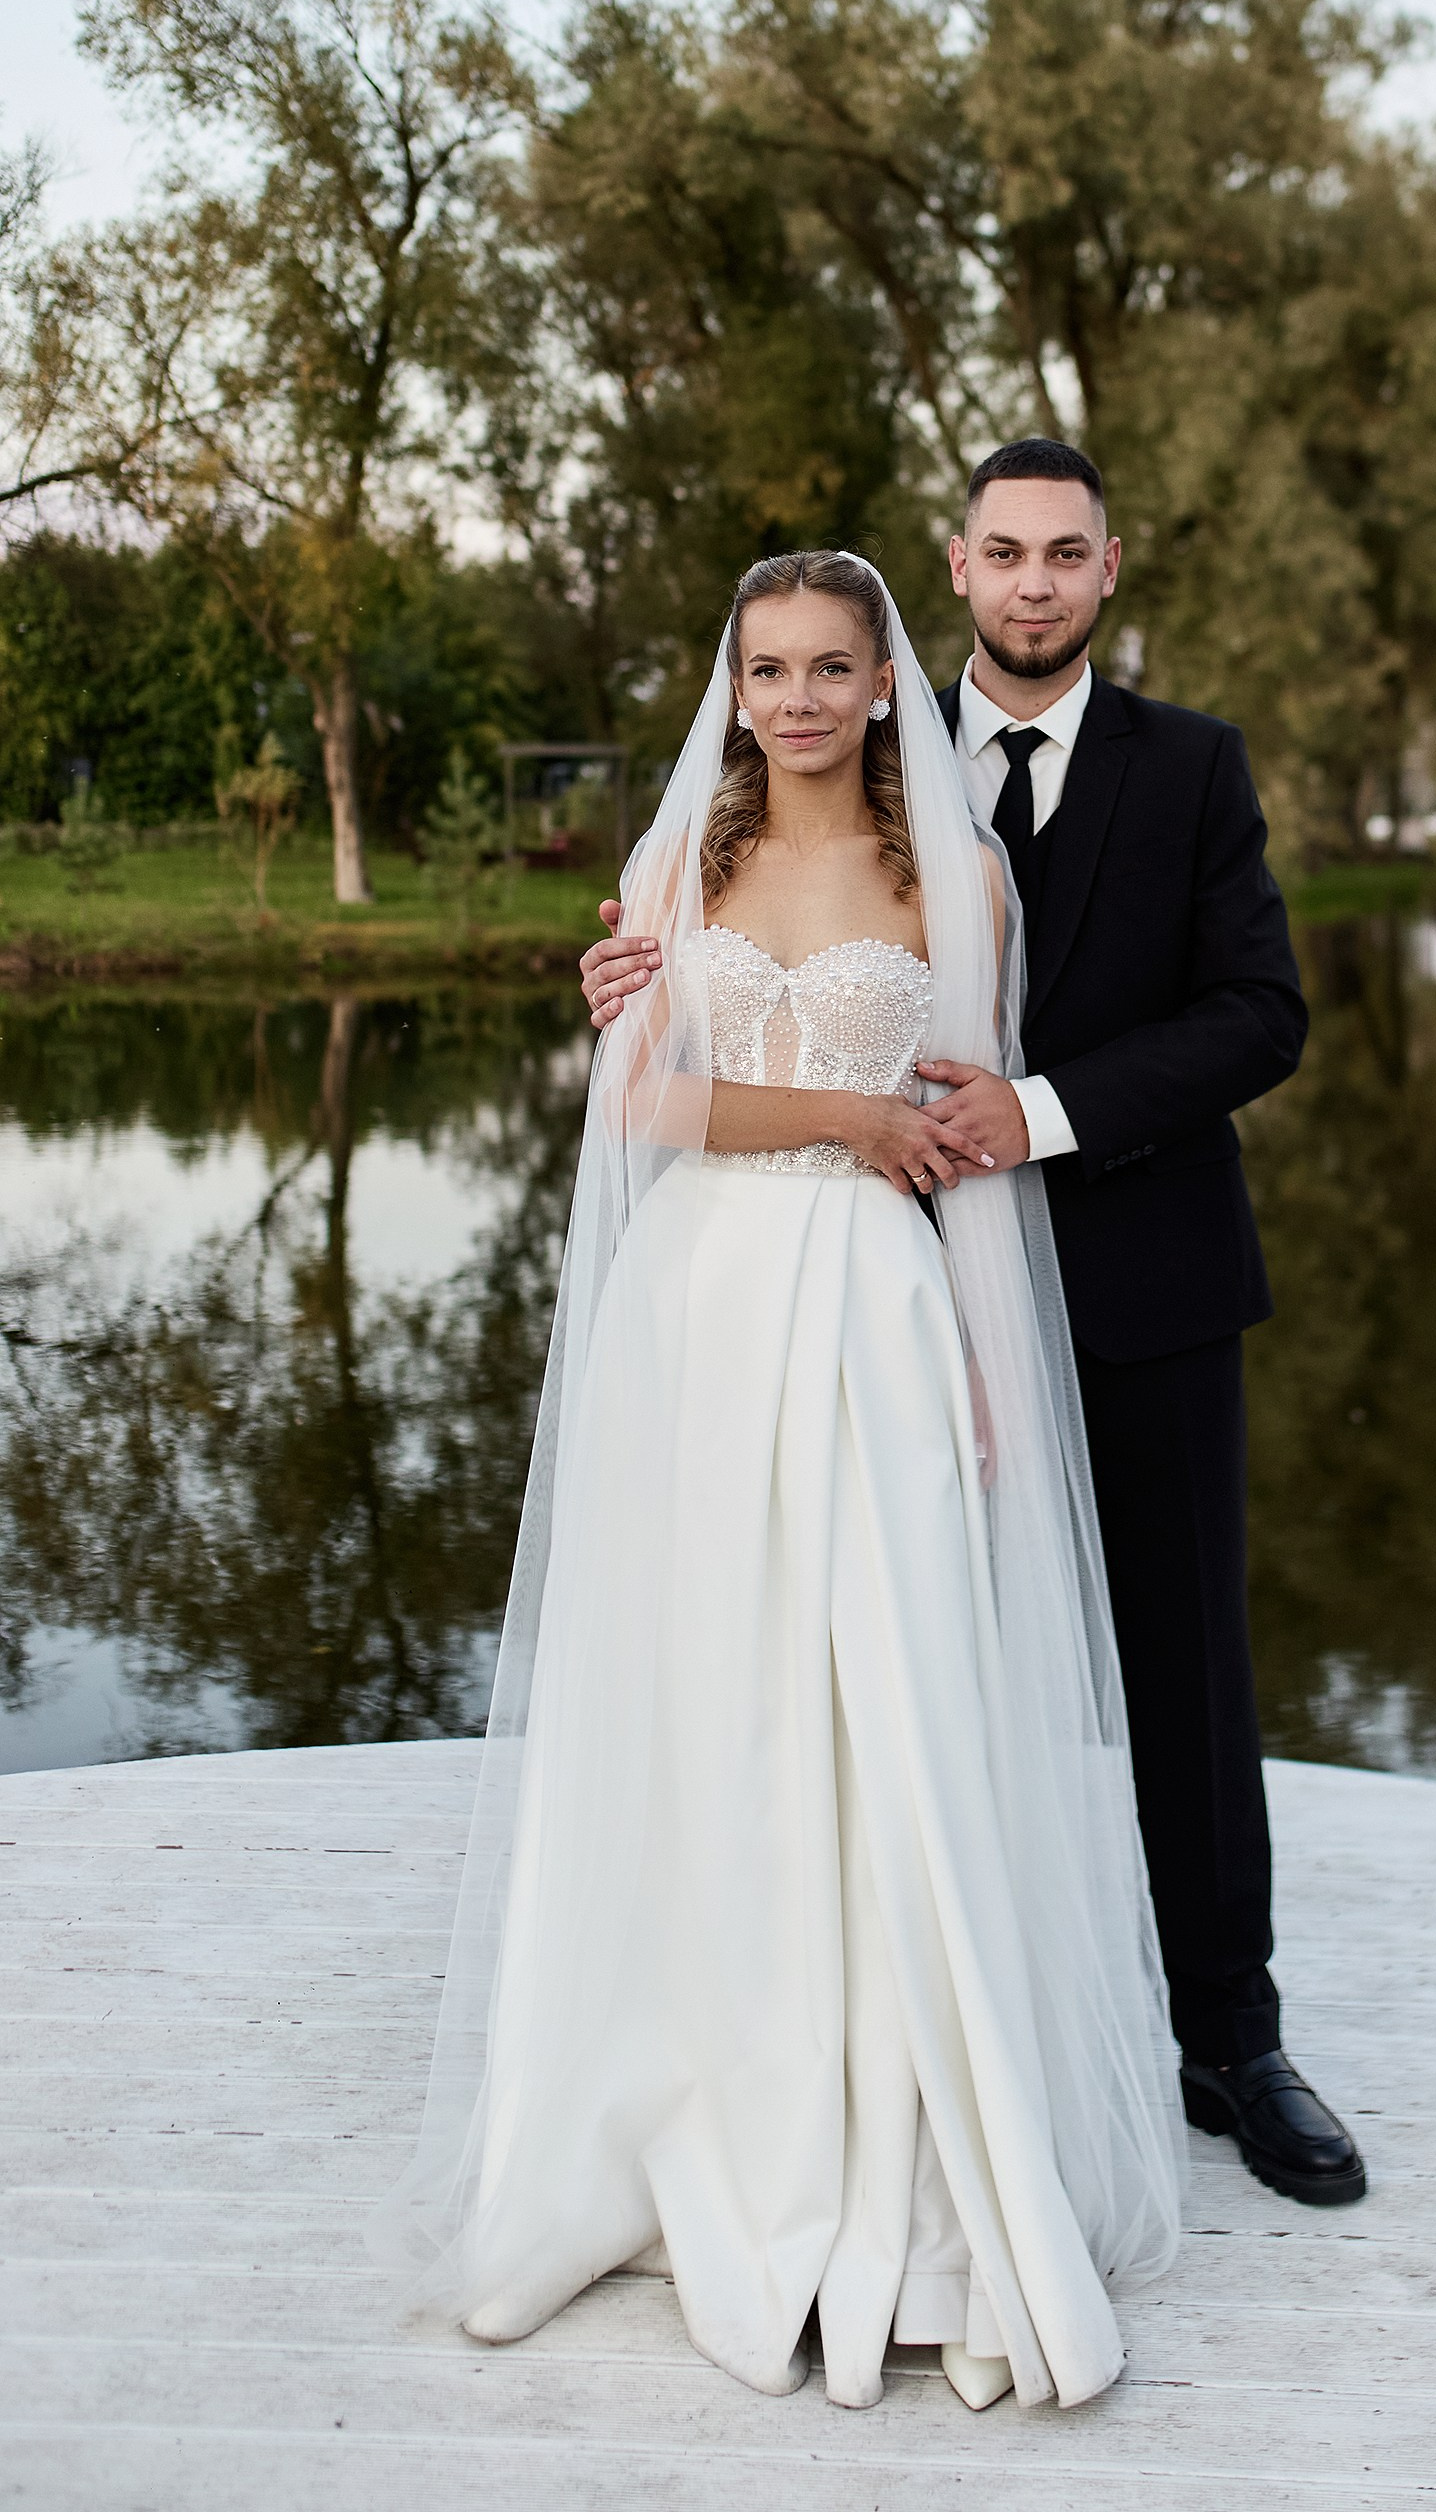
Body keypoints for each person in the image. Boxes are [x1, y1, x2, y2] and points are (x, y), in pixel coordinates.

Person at [373, 551, 1184, 2414]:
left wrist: (990, 1371)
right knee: (709, 1709)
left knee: (878, 1705)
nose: (802, 698)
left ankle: (890, 2150)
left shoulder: (957, 877)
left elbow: (973, 1142)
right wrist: (848, 1114)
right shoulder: (679, 874)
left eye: (834, 667)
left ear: (888, 683)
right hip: (706, 1306)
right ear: (734, 689)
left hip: (884, 1318)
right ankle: (696, 2102)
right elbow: (650, 1103)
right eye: (770, 669)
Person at [584, 441, 1366, 2210]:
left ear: (1107, 569)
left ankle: (1230, 2041)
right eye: (1001, 552)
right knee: (875, 1664)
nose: (1031, 582)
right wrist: (627, 971)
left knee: (1184, 1671)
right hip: (856, 1294)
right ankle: (908, 2027)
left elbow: (1260, 1015)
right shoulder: (837, 732)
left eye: (1063, 555)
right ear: (953, 566)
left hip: (1139, 1283)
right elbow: (707, 982)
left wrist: (1046, 1108)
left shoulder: (1193, 769)